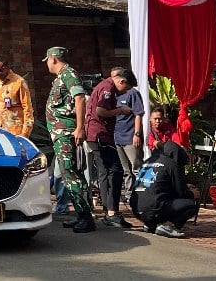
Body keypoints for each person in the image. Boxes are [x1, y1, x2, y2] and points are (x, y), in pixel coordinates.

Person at [43, 46, 95, 233]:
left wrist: (80, 127)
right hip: (60, 133)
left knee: (71, 173)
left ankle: (85, 217)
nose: (47, 64)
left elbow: (80, 98)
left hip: (66, 132)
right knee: (69, 174)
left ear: (53, 59)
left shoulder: (69, 74)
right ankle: (80, 214)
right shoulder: (61, 77)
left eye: (47, 60)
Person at [85, 67, 138, 228]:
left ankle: (108, 211)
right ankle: (112, 212)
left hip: (96, 135)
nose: (123, 93)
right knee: (115, 170)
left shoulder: (105, 86)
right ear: (121, 81)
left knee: (104, 172)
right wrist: (121, 110)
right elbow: (100, 110)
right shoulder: (108, 88)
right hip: (100, 135)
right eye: (126, 89)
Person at [130, 141, 199, 238]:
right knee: (192, 204)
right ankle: (167, 226)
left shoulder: (148, 162)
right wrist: (192, 193)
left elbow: (156, 184)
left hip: (136, 209)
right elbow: (181, 192)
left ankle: (150, 224)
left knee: (157, 196)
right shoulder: (173, 165)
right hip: (155, 207)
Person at [113, 77, 144, 202]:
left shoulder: (132, 93)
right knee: (125, 170)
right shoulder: (113, 94)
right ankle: (129, 194)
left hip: (130, 136)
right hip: (117, 137)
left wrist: (137, 134)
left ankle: (143, 193)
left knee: (137, 167)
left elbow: (138, 114)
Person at [0, 57, 33, 138]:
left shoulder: (19, 82)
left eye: (0, 70)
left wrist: (25, 133)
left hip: (15, 131)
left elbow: (27, 108)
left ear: (7, 68)